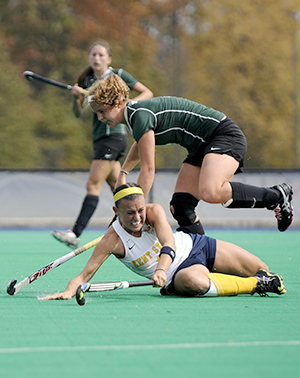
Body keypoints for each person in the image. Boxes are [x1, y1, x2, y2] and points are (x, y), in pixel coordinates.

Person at [84, 73, 294, 235]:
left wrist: (138, 208)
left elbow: (148, 169)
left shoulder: (139, 115)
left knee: (211, 191)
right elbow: (140, 146)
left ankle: (276, 196)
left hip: (222, 136)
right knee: (181, 206)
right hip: (201, 148)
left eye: (102, 111)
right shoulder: (134, 116)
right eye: (97, 113)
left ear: (118, 103)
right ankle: (200, 258)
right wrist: (123, 174)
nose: (100, 117)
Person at [40, 183, 286, 301]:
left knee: (262, 267)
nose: (137, 218)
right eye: (129, 213)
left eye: (139, 210)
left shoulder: (154, 211)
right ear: (116, 210)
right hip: (178, 276)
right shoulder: (112, 240)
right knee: (194, 281)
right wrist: (69, 290)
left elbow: (169, 242)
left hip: (195, 246)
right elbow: (85, 275)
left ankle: (258, 278)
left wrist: (159, 268)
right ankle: (256, 285)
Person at [52, 40, 153, 249]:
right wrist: (76, 98)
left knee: (92, 184)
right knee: (120, 189)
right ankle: (145, 226)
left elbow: (147, 93)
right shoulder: (87, 79)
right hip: (99, 138)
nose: (96, 58)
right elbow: (77, 112)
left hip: (113, 137)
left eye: (100, 55)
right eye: (93, 55)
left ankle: (75, 233)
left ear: (109, 59)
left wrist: (128, 104)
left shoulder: (118, 75)